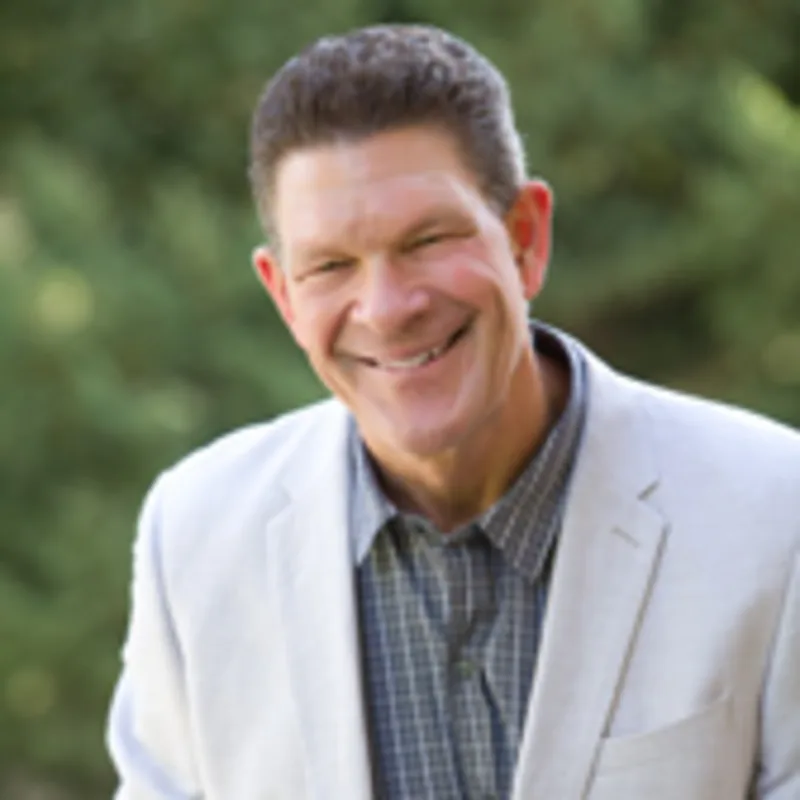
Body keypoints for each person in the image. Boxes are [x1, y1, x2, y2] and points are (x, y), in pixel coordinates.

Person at [106, 24, 800, 800]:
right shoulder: (193, 538)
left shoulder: (775, 512)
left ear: (526, 239)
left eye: (428, 240)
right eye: (331, 265)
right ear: (284, 296)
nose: (387, 308)